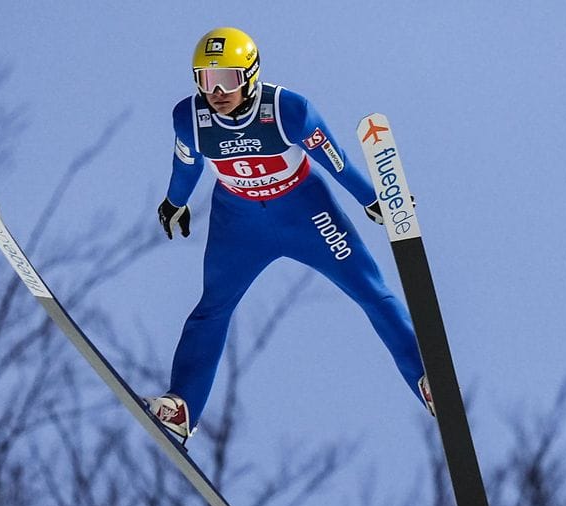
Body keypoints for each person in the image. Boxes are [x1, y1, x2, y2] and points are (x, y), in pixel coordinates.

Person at [146, 27, 433, 442]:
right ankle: (183, 408)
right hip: (239, 222)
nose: (217, 92)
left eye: (226, 79)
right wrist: (175, 201)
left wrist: (373, 199)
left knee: (370, 290)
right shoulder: (189, 118)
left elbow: (335, 161)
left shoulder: (288, 110)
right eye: (206, 81)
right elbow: (186, 165)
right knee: (212, 308)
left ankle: (428, 380)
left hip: (305, 211)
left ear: (250, 75)